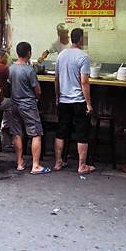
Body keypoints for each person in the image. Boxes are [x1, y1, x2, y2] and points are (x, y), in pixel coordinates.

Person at [53, 28, 95, 174]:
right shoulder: (83, 57)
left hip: (64, 100)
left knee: (61, 131)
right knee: (82, 133)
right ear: (81, 39)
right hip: (78, 101)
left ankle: (58, 162)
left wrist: (58, 97)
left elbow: (56, 79)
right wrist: (89, 103)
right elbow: (84, 82)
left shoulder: (61, 55)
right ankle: (82, 166)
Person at [9, 41, 50, 175]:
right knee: (36, 133)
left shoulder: (11, 68)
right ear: (29, 53)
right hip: (28, 105)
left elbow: (9, 83)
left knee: (17, 133)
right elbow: (37, 90)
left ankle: (20, 162)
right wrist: (36, 97)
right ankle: (36, 165)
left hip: (14, 103)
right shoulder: (29, 70)